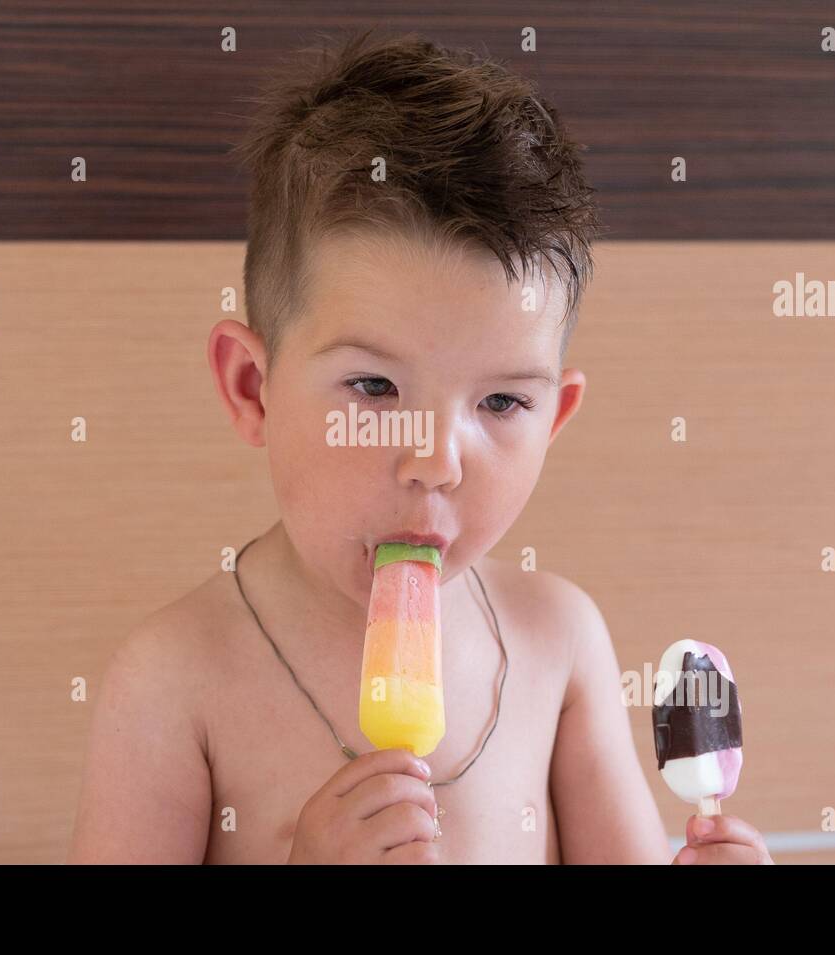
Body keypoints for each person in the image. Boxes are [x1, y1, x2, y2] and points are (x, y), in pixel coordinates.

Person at [67, 28, 773, 865]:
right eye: (374, 388)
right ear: (252, 387)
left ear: (553, 419)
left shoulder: (561, 643)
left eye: (503, 400)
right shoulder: (173, 682)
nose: (436, 459)